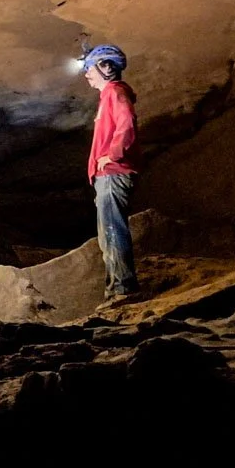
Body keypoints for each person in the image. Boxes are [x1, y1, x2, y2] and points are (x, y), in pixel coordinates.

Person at [82, 44, 140, 300]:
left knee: (113, 231)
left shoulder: (115, 92)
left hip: (113, 172)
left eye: (89, 68)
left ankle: (123, 289)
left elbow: (126, 124)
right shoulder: (107, 96)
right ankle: (115, 288)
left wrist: (111, 156)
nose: (86, 75)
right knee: (107, 234)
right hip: (106, 174)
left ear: (106, 67)